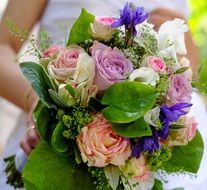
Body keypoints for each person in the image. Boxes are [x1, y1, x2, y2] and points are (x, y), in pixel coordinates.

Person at [0, 0, 206, 189]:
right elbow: (3, 45)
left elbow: (191, 75)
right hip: (51, 122)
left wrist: (182, 43)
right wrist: (35, 98)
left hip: (156, 151)